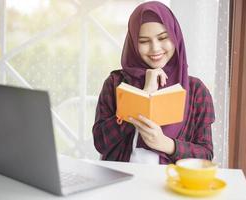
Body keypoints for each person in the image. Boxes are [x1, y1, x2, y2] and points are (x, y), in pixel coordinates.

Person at [92, 1, 215, 164]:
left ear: (175, 36)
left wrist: (167, 145)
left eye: (163, 38)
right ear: (134, 43)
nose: (155, 48)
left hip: (170, 183)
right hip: (120, 180)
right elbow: (101, 143)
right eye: (143, 41)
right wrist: (141, 96)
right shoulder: (115, 83)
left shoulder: (196, 91)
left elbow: (205, 155)